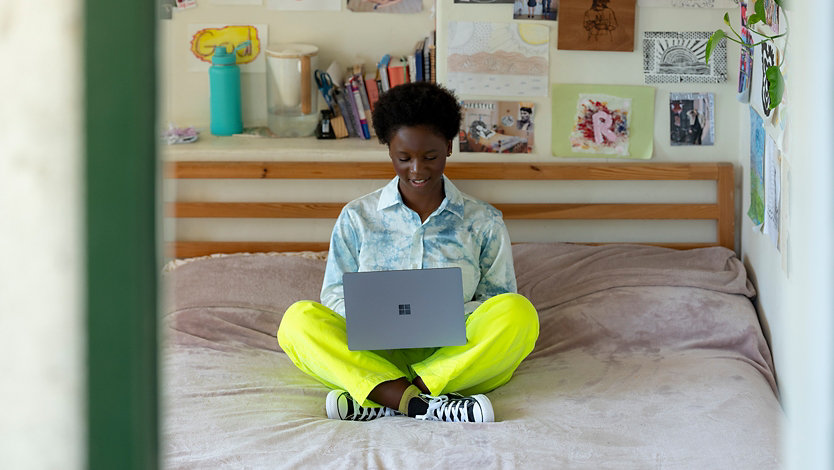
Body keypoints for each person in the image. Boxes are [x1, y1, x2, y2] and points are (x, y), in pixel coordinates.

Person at [277, 82, 539, 423]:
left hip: (454, 354)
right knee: (298, 321)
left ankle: (381, 395)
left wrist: (450, 315)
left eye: (429, 157)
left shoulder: (483, 222)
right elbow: (334, 295)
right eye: (404, 158)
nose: (417, 169)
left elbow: (497, 299)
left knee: (518, 314)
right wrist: (372, 318)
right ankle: (424, 403)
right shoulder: (357, 218)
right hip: (372, 351)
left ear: (448, 147)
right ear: (390, 152)